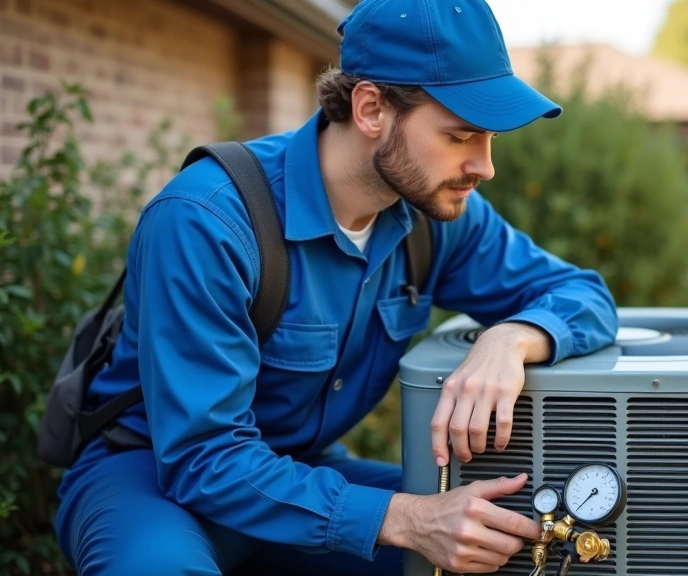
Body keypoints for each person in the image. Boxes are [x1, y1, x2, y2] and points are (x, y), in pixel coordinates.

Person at [53, 0, 618, 574]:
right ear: (371, 108)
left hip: (300, 472)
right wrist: (408, 519)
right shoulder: (206, 220)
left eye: (489, 139)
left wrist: (514, 338)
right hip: (154, 477)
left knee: (508, 537)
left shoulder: (436, 216)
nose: (484, 166)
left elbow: (584, 295)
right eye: (461, 135)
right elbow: (202, 456)